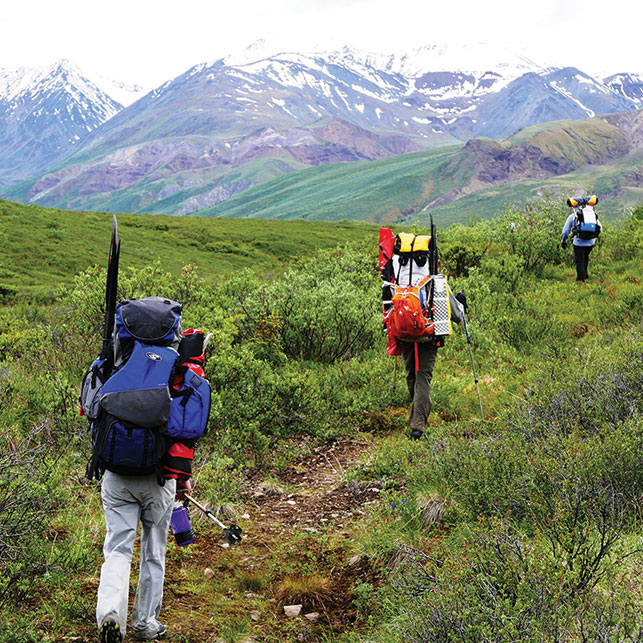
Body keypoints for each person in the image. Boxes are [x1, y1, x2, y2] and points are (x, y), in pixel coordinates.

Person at [97, 445, 194, 643]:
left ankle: (111, 612)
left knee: (118, 549)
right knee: (154, 550)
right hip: (160, 477)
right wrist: (182, 476)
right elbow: (182, 433)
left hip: (117, 475)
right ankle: (145, 623)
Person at [399, 289, 467, 439]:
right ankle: (417, 426)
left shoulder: (399, 280)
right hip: (428, 335)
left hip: (404, 334)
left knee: (411, 375)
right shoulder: (436, 282)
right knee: (423, 377)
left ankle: (418, 415)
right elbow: (458, 315)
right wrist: (461, 303)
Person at [561, 201, 602, 282]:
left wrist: (563, 240)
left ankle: (580, 279)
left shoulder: (573, 216)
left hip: (578, 242)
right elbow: (600, 228)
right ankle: (585, 275)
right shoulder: (592, 215)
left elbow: (565, 231)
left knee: (579, 260)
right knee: (585, 257)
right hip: (591, 242)